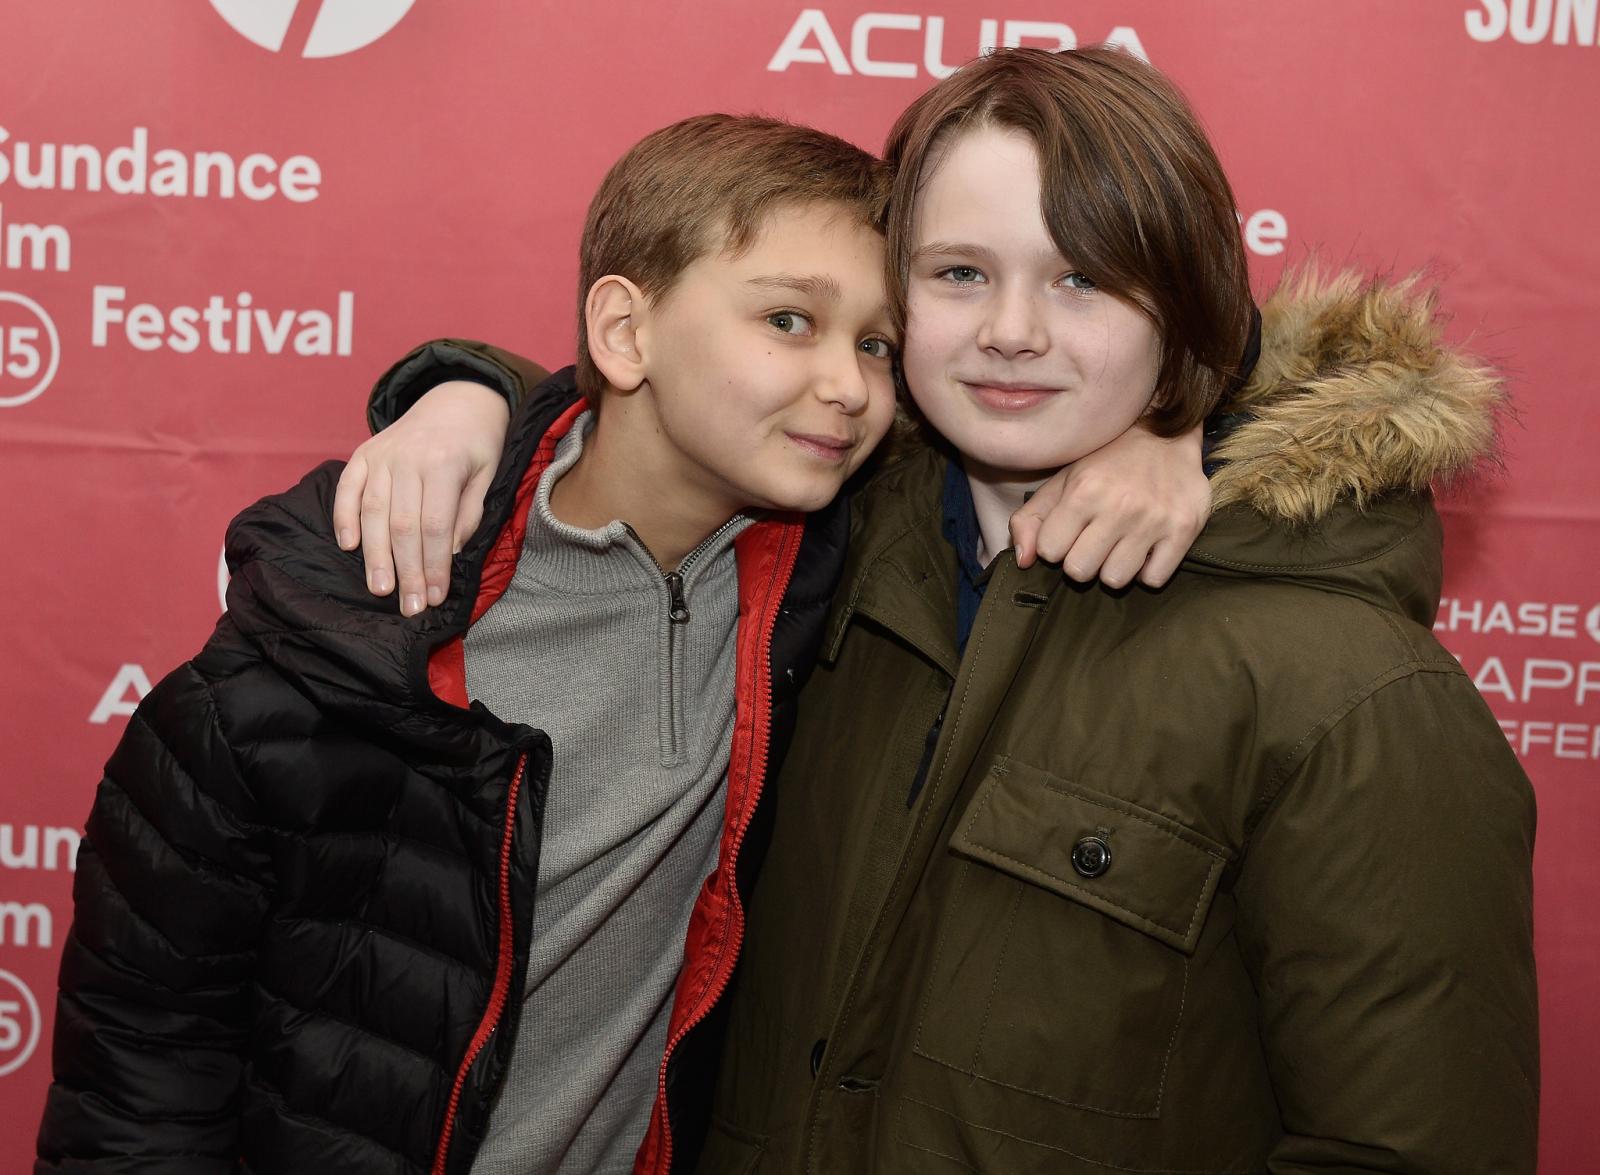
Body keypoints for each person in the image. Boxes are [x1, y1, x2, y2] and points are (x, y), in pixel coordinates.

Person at [343, 49, 1539, 1175]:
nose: (1012, 331)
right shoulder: (816, 553)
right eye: (960, 273)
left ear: (1185, 315)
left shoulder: (1353, 696)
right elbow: (665, 414)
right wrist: (467, 396)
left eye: (1083, 278)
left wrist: (1194, 424)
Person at [35, 110, 1203, 1175]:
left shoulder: (828, 573)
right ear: (624, 329)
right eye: (788, 320)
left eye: (878, 346)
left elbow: (1136, 360)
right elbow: (140, 1081)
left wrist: (1173, 428)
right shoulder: (328, 653)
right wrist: (460, 392)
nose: (847, 386)